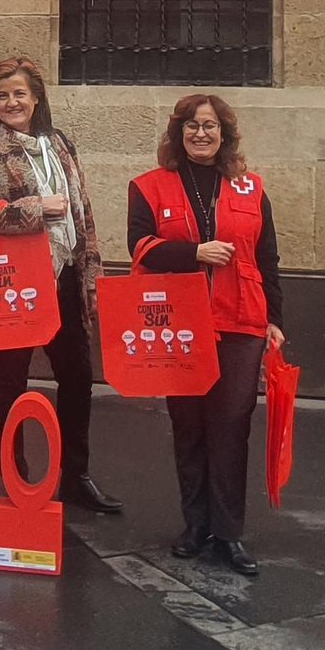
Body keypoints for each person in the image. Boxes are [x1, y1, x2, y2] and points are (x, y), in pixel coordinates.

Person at [127, 94, 285, 576]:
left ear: (224, 134)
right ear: (178, 134)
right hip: (179, 324)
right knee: (189, 426)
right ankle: (195, 525)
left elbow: (268, 259)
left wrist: (276, 321)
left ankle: (229, 533)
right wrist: (194, 252)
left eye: (210, 125)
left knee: (232, 427)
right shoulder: (149, 186)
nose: (201, 133)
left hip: (241, 324)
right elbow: (140, 246)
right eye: (192, 126)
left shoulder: (250, 188)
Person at [0, 56, 120, 513]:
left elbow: (83, 212)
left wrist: (91, 280)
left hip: (65, 275)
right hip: (15, 280)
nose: (12, 102)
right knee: (11, 378)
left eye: (20, 94)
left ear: (36, 98)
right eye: (3, 96)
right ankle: (13, 474)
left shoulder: (60, 143)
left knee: (78, 376)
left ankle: (76, 475)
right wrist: (34, 208)